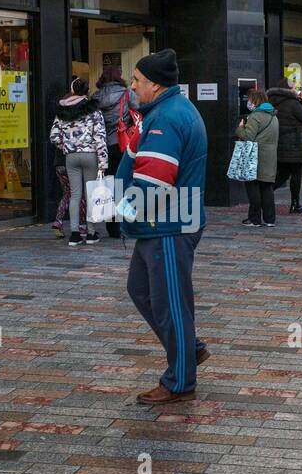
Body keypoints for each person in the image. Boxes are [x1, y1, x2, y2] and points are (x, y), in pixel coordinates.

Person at [117, 49, 208, 406]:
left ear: (155, 84)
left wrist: (118, 209)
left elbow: (154, 184)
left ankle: (180, 381)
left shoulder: (165, 119)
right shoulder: (166, 111)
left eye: (137, 80)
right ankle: (190, 349)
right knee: (141, 289)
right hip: (163, 223)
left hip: (167, 224)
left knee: (169, 303)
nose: (132, 86)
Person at [49, 78, 108, 247]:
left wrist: (67, 146)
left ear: (72, 90)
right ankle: (90, 233)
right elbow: (100, 137)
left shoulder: (62, 111)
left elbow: (53, 136)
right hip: (90, 155)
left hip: (71, 157)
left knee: (75, 195)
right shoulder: (93, 110)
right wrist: (103, 161)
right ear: (87, 91)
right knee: (90, 194)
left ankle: (74, 234)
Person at [93, 66, 135, 238]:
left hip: (103, 146)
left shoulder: (95, 97)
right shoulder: (126, 94)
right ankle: (124, 222)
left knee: (107, 185)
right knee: (124, 184)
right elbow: (139, 110)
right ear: (119, 77)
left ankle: (111, 225)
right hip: (122, 144)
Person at [236, 87, 279, 227]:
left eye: (249, 99)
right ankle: (269, 219)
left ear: (255, 100)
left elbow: (248, 136)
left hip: (255, 156)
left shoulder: (255, 116)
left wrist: (240, 127)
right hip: (270, 156)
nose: (248, 102)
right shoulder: (273, 115)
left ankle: (254, 219)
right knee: (267, 188)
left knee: (253, 186)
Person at [269, 86, 302, 214]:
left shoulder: (273, 101)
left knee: (282, 174)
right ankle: (295, 204)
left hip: (280, 145)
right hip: (295, 146)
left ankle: (264, 194)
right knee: (296, 175)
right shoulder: (293, 103)